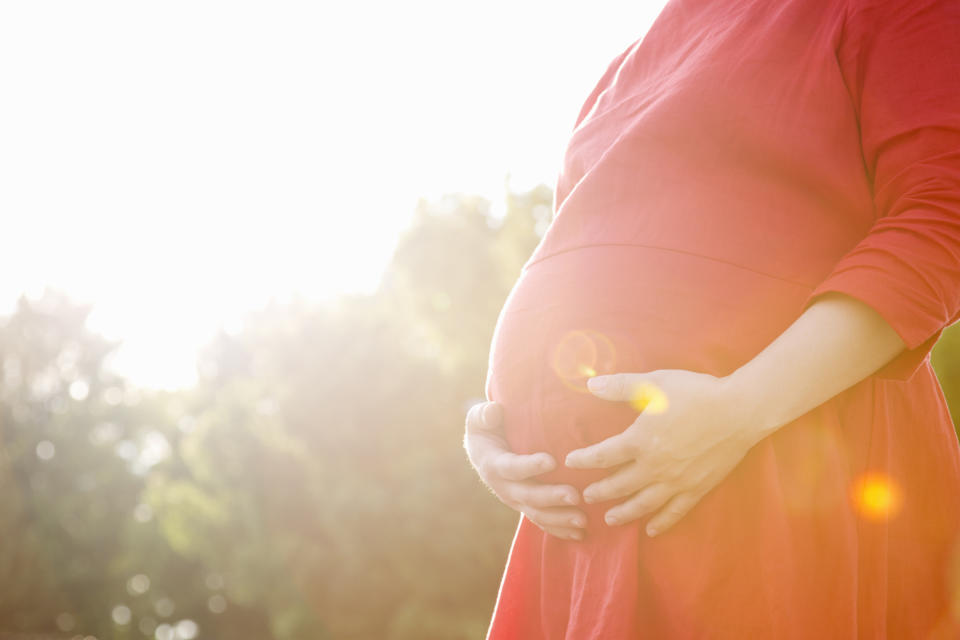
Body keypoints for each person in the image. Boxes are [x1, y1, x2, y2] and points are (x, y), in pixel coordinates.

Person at [463, 0, 960, 637]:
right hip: (583, 532)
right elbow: (578, 261)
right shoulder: (631, 60)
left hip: (769, 474)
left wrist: (742, 409)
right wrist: (496, 427)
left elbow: (943, 217)